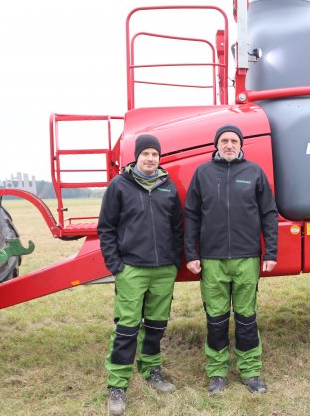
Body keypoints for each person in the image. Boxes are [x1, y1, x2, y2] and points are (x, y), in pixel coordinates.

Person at [184, 124, 278, 394]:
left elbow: (269, 214)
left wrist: (270, 252)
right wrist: (191, 254)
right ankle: (217, 373)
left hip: (246, 258)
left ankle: (250, 371)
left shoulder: (254, 172)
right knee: (216, 318)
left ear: (241, 144)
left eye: (233, 140)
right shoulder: (202, 173)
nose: (228, 145)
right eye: (223, 140)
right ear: (216, 144)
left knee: (246, 316)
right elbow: (191, 215)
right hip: (212, 260)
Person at [98, 134, 183, 415]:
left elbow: (177, 228)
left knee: (157, 325)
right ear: (136, 157)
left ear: (160, 158)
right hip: (132, 269)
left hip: (162, 270)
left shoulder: (168, 187)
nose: (150, 159)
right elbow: (106, 228)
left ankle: (151, 371)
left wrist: (174, 261)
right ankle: (117, 384)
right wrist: (116, 265)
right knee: (127, 327)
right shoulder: (119, 186)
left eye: (155, 154)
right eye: (145, 153)